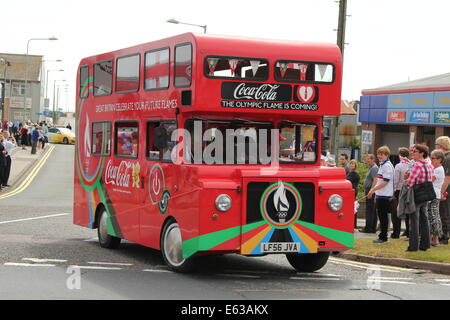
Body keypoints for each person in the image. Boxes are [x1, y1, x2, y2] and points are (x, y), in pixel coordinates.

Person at [405, 144, 433, 252]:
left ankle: (413, 246)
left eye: (415, 151)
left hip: (416, 195)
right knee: (424, 220)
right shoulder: (429, 165)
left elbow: (411, 181)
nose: (412, 153)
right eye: (412, 151)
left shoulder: (417, 165)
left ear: (421, 153)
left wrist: (406, 186)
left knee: (414, 221)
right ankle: (425, 245)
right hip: (426, 194)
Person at [367, 146, 394, 244]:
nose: (379, 156)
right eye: (378, 154)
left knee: (383, 217)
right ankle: (382, 236)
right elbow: (380, 180)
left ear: (387, 155)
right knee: (382, 216)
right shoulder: (383, 164)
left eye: (382, 154)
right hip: (381, 194)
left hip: (384, 195)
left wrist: (373, 190)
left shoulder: (387, 166)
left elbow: (385, 182)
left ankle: (383, 237)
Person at [391, 147, 410, 238]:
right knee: (407, 211)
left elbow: (395, 180)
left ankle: (396, 232)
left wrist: (393, 192)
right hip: (408, 189)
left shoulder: (398, 166)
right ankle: (408, 231)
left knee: (396, 211)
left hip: (399, 190)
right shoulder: (410, 164)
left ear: (400, 155)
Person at [435, 136, 450, 245]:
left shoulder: (446, 159)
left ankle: (444, 237)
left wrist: (441, 192)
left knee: (443, 213)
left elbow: (447, 178)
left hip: (445, 190)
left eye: (436, 145)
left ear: (440, 146)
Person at [429, 149, 445, 246]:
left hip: (434, 196)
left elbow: (429, 181)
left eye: (433, 158)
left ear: (439, 159)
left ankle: (435, 239)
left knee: (433, 218)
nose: (431, 160)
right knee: (434, 217)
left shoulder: (438, 169)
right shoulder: (435, 168)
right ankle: (434, 239)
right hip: (433, 195)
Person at [360, 154, 379, 233]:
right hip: (370, 190)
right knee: (372, 210)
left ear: (372, 159)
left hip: (371, 191)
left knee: (370, 210)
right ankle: (371, 227)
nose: (366, 160)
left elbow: (375, 180)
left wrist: (371, 190)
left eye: (368, 159)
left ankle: (369, 228)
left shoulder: (374, 168)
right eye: (366, 159)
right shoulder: (371, 168)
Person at [346, 159, 360, 228]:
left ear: (355, 166)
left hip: (352, 191)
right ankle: (353, 224)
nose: (351, 165)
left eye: (353, 164)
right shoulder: (350, 172)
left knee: (352, 208)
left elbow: (347, 181)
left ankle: (353, 224)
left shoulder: (353, 173)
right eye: (350, 163)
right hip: (352, 191)